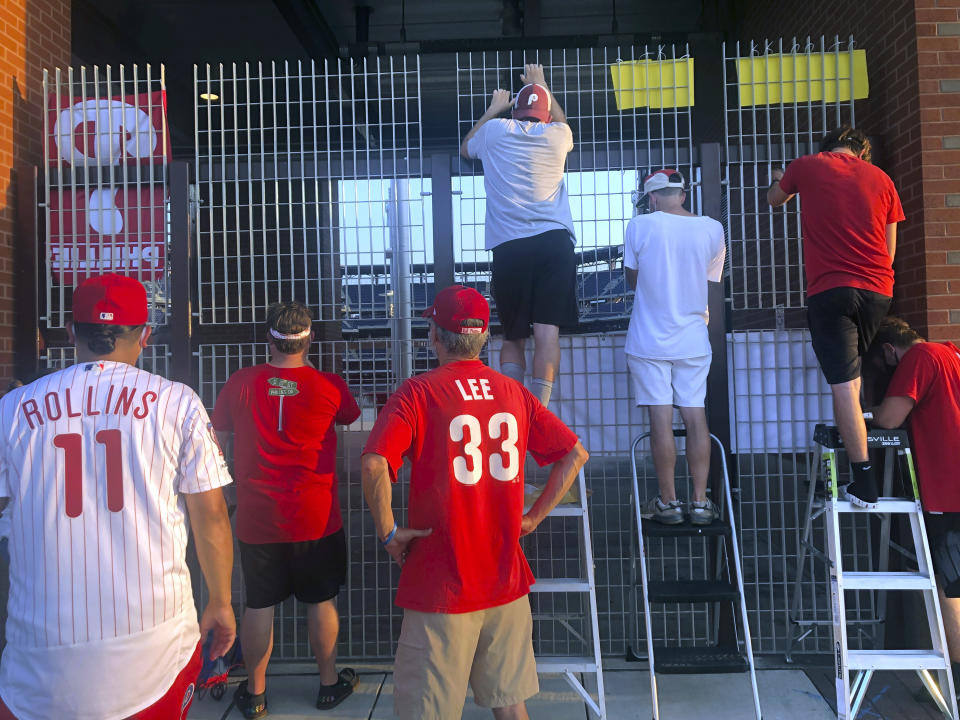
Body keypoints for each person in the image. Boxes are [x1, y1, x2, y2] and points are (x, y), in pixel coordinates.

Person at [0, 273, 236, 719]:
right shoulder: (176, 402)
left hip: (38, 664)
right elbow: (212, 517)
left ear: (72, 333)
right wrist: (221, 603)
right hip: (153, 651)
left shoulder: (13, 409)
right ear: (145, 335)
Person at [360, 285, 588, 720]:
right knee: (510, 705)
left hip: (441, 585)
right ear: (483, 338)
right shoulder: (513, 392)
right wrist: (533, 518)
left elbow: (374, 466)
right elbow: (574, 454)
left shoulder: (417, 393)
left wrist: (389, 532)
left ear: (435, 336)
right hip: (504, 580)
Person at [212, 301, 361, 717]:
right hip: (316, 515)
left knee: (258, 603)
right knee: (322, 601)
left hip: (258, 516)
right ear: (309, 338)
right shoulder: (329, 385)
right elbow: (349, 418)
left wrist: (226, 488)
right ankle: (328, 685)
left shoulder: (241, 382)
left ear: (269, 338)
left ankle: (256, 694)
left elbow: (218, 435)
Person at [768, 126, 904, 508]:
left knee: (844, 384)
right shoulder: (883, 180)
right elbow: (889, 252)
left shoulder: (807, 166)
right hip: (879, 290)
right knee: (854, 375)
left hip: (831, 288)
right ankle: (863, 447)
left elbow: (775, 199)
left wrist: (780, 178)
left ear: (827, 148)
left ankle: (863, 482)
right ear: (862, 152)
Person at [461, 63, 577, 407]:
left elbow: (466, 147)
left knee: (513, 335)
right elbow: (562, 121)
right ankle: (538, 411)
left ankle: (514, 412)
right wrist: (542, 84)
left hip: (510, 246)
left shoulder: (496, 130)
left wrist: (493, 108)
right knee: (547, 333)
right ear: (544, 116)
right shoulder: (558, 136)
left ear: (515, 111)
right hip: (554, 243)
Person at [624, 169, 726, 525]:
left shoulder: (639, 226)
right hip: (693, 338)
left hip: (649, 338)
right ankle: (699, 502)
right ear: (682, 195)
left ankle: (668, 502)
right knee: (695, 413)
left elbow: (632, 278)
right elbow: (711, 279)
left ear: (652, 199)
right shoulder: (713, 228)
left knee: (660, 417)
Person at [868, 317, 960, 670]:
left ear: (890, 349)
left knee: (949, 588)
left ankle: (956, 683)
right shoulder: (951, 352)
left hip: (947, 487)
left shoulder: (918, 360)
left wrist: (865, 412)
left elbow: (890, 419)